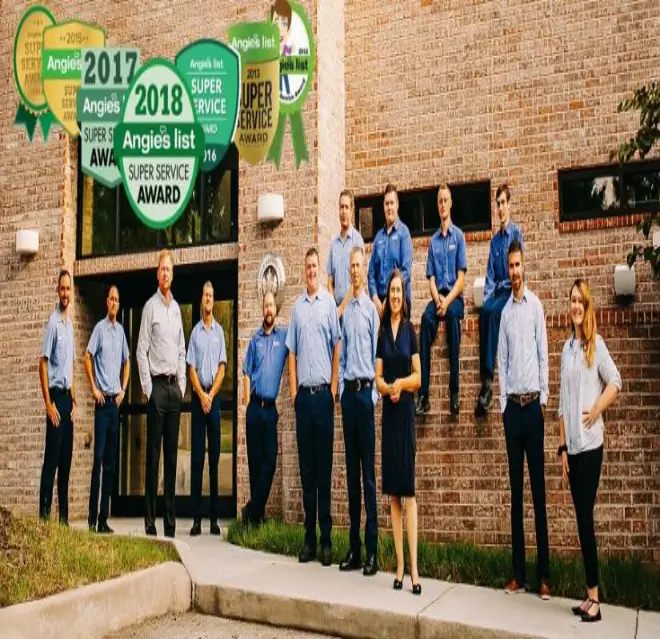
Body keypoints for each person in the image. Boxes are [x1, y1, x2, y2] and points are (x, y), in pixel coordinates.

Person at [558, 279, 621, 623]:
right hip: (574, 450)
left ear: (588, 306)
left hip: (593, 446)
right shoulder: (568, 348)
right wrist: (562, 449)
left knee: (584, 518)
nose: (576, 306)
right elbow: (561, 408)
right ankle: (589, 594)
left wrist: (596, 409)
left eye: (581, 301)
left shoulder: (596, 345)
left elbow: (616, 382)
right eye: (572, 301)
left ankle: (595, 600)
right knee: (582, 521)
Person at [497, 240, 550, 599]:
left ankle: (544, 576)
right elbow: (501, 361)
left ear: (524, 266)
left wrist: (543, 399)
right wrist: (502, 404)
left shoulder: (535, 308)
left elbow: (544, 354)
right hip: (512, 412)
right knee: (516, 495)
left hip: (533, 410)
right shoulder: (504, 313)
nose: (515, 272)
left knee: (539, 494)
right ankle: (520, 574)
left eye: (518, 266)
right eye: (510, 267)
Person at [286, 247, 340, 567]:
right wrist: (293, 393)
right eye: (306, 266)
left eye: (314, 266)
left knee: (324, 471)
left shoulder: (329, 304)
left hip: (324, 398)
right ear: (303, 270)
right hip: (304, 400)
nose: (310, 271)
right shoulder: (296, 308)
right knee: (307, 473)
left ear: (319, 271)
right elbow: (291, 353)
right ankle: (308, 539)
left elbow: (337, 344)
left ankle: (327, 540)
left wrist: (333, 389)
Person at [375, 270, 422, 595]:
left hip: (404, 413)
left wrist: (400, 386)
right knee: (392, 492)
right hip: (388, 415)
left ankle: (416, 571)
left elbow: (418, 377)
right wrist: (385, 387)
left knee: (409, 492)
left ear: (403, 296)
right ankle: (399, 568)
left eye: (397, 291)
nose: (394, 295)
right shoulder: (382, 332)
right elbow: (376, 376)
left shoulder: (410, 331)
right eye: (390, 290)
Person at [136, 250, 186, 538]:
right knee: (153, 459)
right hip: (156, 389)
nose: (165, 273)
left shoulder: (177, 309)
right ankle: (150, 522)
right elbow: (141, 350)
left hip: (173, 391)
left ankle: (170, 524)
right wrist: (148, 389)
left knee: (170, 459)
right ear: (157, 274)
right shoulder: (149, 308)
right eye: (162, 269)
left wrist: (180, 387)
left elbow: (181, 349)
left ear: (172, 274)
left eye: (169, 269)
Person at [338, 246, 379, 576]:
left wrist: (375, 394)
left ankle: (372, 551)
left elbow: (378, 355)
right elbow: (344, 353)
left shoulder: (370, 311)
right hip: (348, 398)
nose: (354, 270)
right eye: (350, 266)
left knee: (367, 476)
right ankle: (354, 548)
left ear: (364, 270)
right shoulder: (346, 311)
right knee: (352, 477)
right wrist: (340, 392)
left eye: (357, 265)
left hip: (366, 397)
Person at [416, 184, 467, 417]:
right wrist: (437, 301)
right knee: (426, 320)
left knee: (454, 321)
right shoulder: (433, 241)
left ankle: (454, 392)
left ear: (451, 203)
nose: (443, 204)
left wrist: (447, 303)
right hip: (438, 296)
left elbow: (462, 279)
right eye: (440, 201)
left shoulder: (459, 237)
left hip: (454, 297)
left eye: (446, 200)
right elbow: (431, 279)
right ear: (437, 206)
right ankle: (424, 395)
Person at [84, 285, 130, 534]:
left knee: (111, 464)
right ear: (106, 303)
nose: (114, 303)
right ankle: (92, 519)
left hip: (115, 404)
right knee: (98, 460)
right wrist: (93, 388)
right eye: (111, 299)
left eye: (117, 299)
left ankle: (103, 519)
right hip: (102, 405)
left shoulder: (121, 332)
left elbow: (127, 361)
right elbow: (87, 357)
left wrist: (124, 389)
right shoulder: (100, 329)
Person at [476, 184, 524, 418]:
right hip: (497, 295)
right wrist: (486, 301)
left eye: (504, 203)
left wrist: (518, 296)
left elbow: (520, 270)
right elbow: (489, 276)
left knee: (493, 314)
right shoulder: (494, 242)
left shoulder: (516, 234)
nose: (501, 208)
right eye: (498, 204)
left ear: (509, 205)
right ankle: (485, 383)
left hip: (511, 292)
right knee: (485, 312)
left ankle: (488, 379)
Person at [241, 291, 288, 526]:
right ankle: (256, 519)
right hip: (254, 408)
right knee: (255, 463)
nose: (268, 309)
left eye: (271, 305)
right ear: (262, 309)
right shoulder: (254, 340)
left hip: (270, 410)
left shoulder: (284, 337)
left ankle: (251, 510)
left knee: (269, 462)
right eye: (265, 305)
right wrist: (247, 403)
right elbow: (246, 371)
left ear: (275, 309)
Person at [186, 281, 227, 536]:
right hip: (198, 399)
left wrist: (210, 396)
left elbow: (223, 368)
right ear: (202, 300)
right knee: (197, 460)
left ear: (214, 300)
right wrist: (201, 395)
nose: (208, 299)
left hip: (214, 401)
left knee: (213, 461)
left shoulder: (220, 332)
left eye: (212, 295)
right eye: (206, 295)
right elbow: (191, 368)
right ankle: (197, 520)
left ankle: (213, 520)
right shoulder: (195, 333)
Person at [38, 270, 77, 525]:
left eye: (68, 289)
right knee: (51, 461)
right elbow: (43, 364)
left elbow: (69, 367)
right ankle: (44, 519)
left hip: (67, 400)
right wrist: (48, 404)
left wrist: (74, 402)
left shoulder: (70, 325)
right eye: (62, 289)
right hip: (54, 399)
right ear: (57, 291)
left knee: (66, 463)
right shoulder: (53, 324)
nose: (65, 293)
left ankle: (63, 521)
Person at [368, 184, 413, 318]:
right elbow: (371, 273)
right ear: (383, 206)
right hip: (380, 301)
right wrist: (375, 298)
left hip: (398, 298)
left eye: (392, 203)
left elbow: (406, 271)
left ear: (397, 205)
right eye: (387, 204)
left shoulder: (404, 233)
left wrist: (390, 298)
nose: (389, 207)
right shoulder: (378, 237)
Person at [327, 189, 364, 318]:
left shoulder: (357, 241)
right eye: (341, 207)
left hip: (353, 308)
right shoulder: (333, 245)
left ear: (352, 211)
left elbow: (358, 279)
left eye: (346, 207)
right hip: (336, 311)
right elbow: (330, 280)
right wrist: (333, 307)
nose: (343, 211)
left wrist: (342, 308)